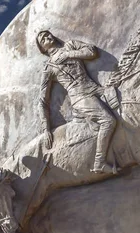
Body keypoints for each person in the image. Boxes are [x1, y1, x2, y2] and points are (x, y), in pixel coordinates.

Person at [36, 30, 117, 174]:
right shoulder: (49, 68)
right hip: (80, 98)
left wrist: (68, 54)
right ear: (42, 49)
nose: (48, 37)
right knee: (108, 121)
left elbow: (91, 51)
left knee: (122, 103)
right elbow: (43, 100)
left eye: (47, 34)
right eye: (43, 39)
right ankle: (99, 162)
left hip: (95, 88)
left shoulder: (70, 45)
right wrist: (46, 128)